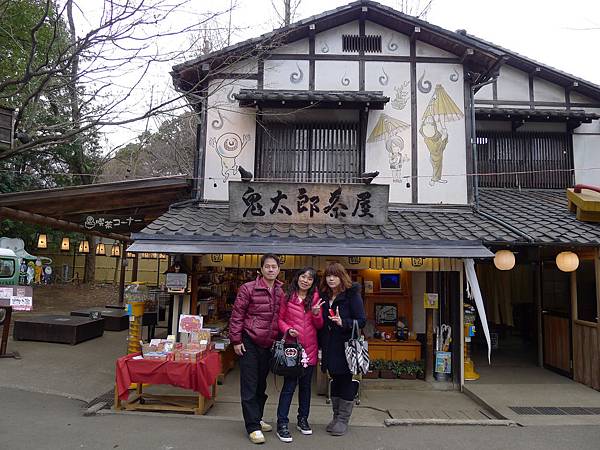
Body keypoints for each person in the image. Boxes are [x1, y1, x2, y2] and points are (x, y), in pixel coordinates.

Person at [229, 254, 285, 444]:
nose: (270, 269)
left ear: (278, 270)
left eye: (274, 266)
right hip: (249, 341)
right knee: (250, 385)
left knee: (261, 385)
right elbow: (237, 315)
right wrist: (236, 340)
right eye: (267, 266)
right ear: (261, 269)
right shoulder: (248, 288)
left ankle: (257, 418)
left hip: (269, 343)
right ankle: (252, 427)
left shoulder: (280, 291)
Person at [275, 267, 325, 443]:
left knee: (305, 387)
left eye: (310, 279)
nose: (305, 281)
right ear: (297, 278)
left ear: (313, 282)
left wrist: (317, 315)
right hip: (292, 349)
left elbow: (319, 325)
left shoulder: (316, 298)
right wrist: (288, 329)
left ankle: (303, 419)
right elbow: (280, 320)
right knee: (289, 387)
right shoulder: (287, 296)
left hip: (310, 348)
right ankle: (282, 423)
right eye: (303, 277)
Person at [319, 262, 366, 436]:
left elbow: (361, 320)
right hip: (329, 345)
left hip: (346, 346)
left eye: (335, 275)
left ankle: (343, 420)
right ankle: (336, 417)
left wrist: (343, 322)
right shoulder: (324, 295)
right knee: (334, 379)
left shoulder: (351, 295)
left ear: (342, 277)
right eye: (328, 276)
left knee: (346, 380)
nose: (331, 279)